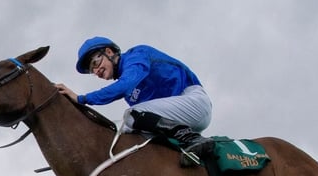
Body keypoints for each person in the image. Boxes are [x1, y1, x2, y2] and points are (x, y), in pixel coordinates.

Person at [54, 36, 214, 165]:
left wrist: (81, 99)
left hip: (194, 102)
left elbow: (123, 86)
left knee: (131, 115)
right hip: (180, 118)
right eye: (92, 70)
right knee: (122, 130)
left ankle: (194, 139)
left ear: (109, 52)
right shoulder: (130, 96)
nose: (96, 71)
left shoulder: (137, 55)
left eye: (96, 63)